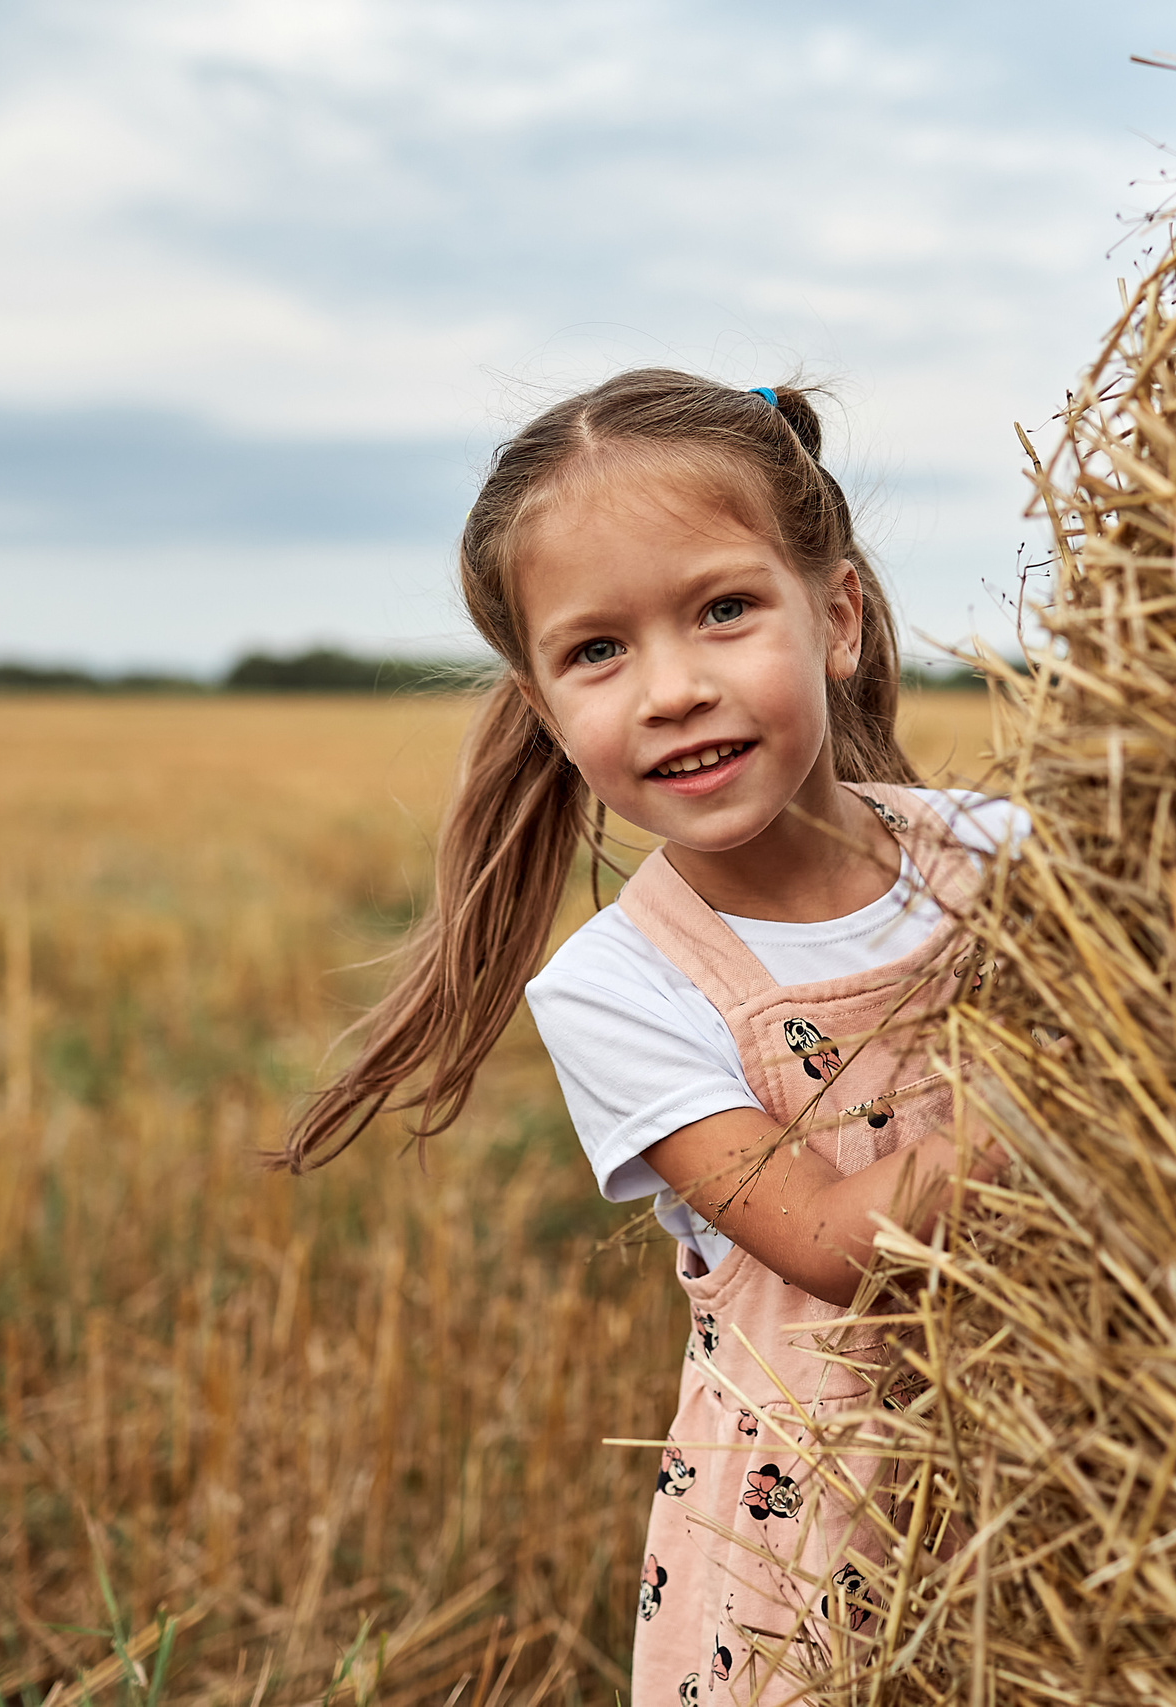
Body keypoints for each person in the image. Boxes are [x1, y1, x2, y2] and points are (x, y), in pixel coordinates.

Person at [274, 368, 1016, 1705]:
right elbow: (840, 1247)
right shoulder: (619, 986)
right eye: (598, 651)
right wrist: (1067, 1086)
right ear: (548, 706)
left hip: (1066, 1463)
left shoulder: (1003, 855)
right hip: (824, 1538)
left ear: (835, 615)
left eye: (724, 611)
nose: (672, 690)